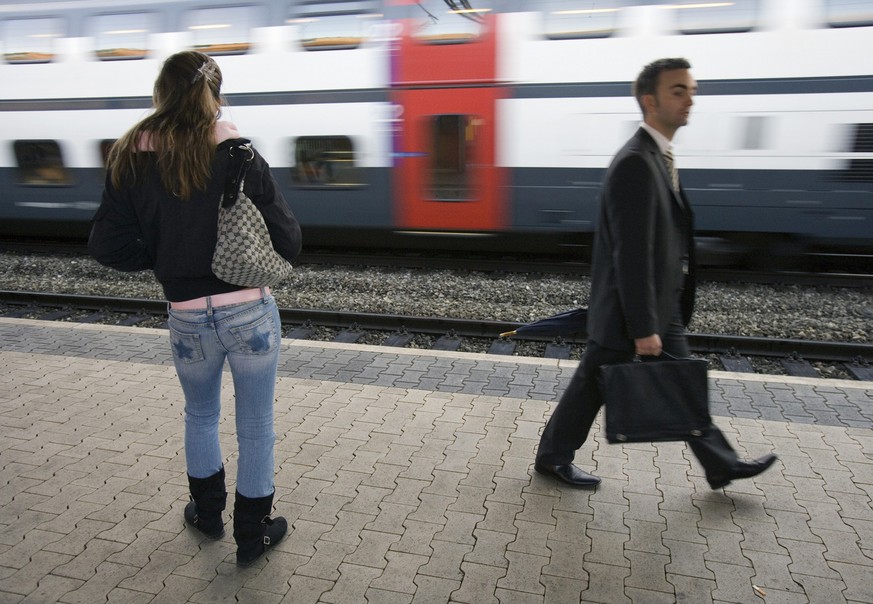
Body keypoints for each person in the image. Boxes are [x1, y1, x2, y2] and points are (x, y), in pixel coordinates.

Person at [88, 50, 302, 565]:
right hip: (250, 313)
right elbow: (288, 241)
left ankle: (207, 516)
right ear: (214, 93)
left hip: (186, 316)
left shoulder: (130, 155)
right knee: (256, 425)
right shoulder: (238, 154)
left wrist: (162, 256)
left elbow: (107, 245)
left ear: (160, 93)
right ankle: (253, 535)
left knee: (200, 415)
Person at [535, 58, 777, 490]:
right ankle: (553, 458)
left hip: (657, 304)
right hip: (636, 311)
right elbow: (632, 254)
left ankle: (720, 463)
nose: (690, 100)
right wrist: (644, 327)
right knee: (594, 384)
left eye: (692, 91)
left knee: (671, 384)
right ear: (650, 101)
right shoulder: (636, 163)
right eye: (678, 91)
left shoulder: (657, 156)